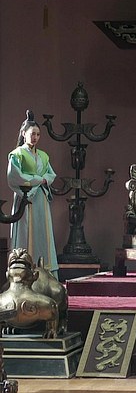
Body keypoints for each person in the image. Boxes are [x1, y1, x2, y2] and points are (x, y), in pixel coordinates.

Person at [7, 110, 58, 278]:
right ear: (24, 134)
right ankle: (23, 273)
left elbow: (51, 175)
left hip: (40, 199)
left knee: (43, 234)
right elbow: (15, 176)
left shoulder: (43, 156)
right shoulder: (17, 154)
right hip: (26, 197)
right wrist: (38, 179)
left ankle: (45, 275)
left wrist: (42, 180)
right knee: (25, 232)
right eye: (32, 134)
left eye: (38, 134)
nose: (35, 137)